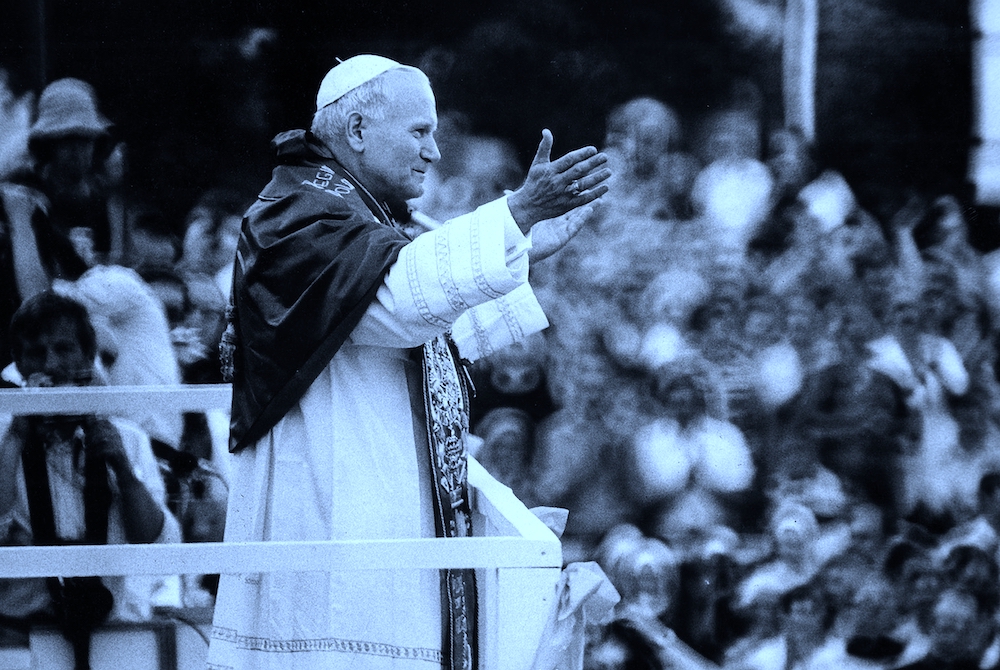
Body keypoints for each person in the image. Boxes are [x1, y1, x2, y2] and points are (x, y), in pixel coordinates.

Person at [207, 54, 611, 670]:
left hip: (368, 511)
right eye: (420, 132)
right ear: (360, 131)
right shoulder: (298, 215)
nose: (435, 153)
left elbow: (419, 331)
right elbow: (397, 305)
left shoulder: (347, 212)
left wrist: (525, 248)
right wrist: (516, 215)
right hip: (330, 515)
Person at [0, 290, 181, 669]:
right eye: (36, 352)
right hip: (19, 633)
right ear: (18, 363)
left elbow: (154, 541)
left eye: (64, 349)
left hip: (110, 633)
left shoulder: (125, 437)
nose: (52, 365)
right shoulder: (4, 437)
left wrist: (123, 471)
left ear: (87, 356)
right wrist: (16, 438)